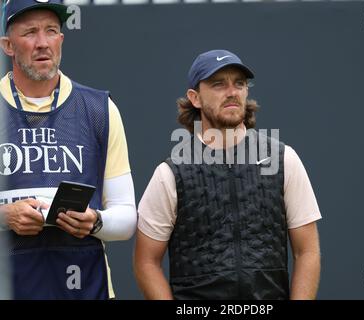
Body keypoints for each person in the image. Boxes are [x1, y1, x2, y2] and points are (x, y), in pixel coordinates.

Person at [134, 49, 322, 300]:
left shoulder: (283, 159)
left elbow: (307, 251)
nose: (232, 92)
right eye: (218, 84)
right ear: (195, 98)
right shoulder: (169, 174)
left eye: (239, 84)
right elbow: (146, 262)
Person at [0, 0, 136, 299]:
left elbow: (126, 217)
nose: (42, 43)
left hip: (85, 286)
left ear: (61, 39)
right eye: (30, 32)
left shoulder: (99, 109)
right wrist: (5, 216)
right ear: (8, 45)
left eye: (51, 31)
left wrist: (96, 222)